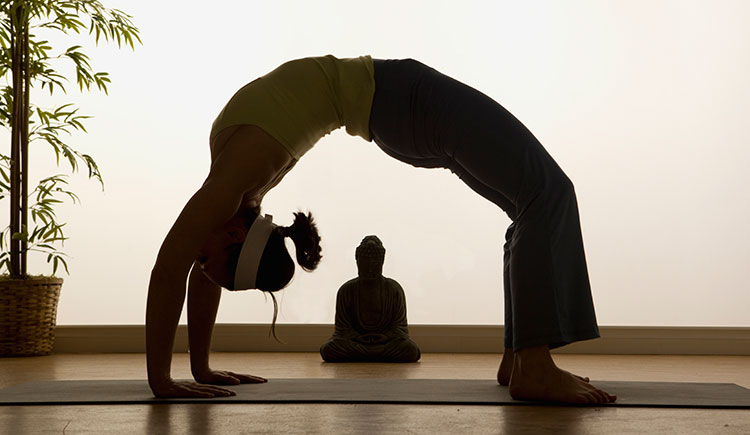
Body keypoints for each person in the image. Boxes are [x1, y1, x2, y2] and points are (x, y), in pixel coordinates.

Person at [146, 55, 617, 404]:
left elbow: (172, 268)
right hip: (404, 104)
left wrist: (171, 377)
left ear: (233, 238)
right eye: (205, 261)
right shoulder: (239, 187)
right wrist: (189, 370)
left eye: (206, 260)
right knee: (546, 194)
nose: (197, 259)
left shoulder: (233, 187)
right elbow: (189, 272)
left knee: (534, 201)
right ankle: (531, 365)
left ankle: (520, 360)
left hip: (401, 105)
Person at [320, 235, 421, 363]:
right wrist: (358, 338)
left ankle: (364, 356)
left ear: (382, 262)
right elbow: (342, 330)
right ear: (357, 261)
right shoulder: (346, 290)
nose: (370, 269)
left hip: (385, 343)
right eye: (365, 264)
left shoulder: (394, 289)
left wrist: (385, 337)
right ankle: (376, 355)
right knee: (328, 350)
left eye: (375, 265)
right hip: (357, 343)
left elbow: (400, 328)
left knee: (409, 349)